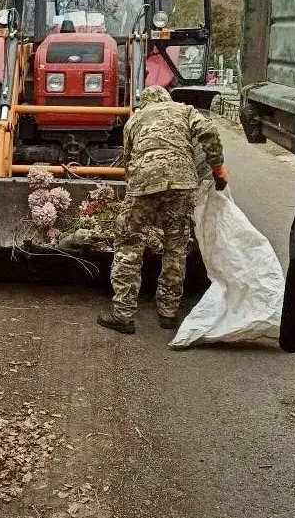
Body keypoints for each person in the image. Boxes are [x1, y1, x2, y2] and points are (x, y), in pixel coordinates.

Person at [97, 85, 228, 335]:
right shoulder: (185, 110)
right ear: (167, 99)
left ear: (145, 103)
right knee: (175, 247)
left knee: (129, 245)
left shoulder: (134, 120)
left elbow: (129, 159)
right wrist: (217, 168)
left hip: (143, 184)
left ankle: (123, 314)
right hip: (182, 183)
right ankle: (168, 312)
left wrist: (138, 192)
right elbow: (209, 130)